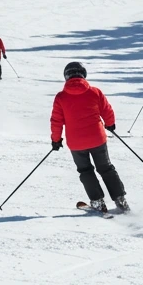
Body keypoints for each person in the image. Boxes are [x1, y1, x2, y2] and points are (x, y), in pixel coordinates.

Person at [51, 62, 129, 214]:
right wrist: (110, 124)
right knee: (106, 168)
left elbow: (56, 121)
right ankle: (120, 198)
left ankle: (98, 201)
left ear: (66, 76)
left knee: (85, 171)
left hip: (76, 143)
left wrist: (56, 139)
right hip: (97, 139)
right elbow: (107, 109)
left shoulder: (61, 97)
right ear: (83, 74)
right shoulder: (95, 92)